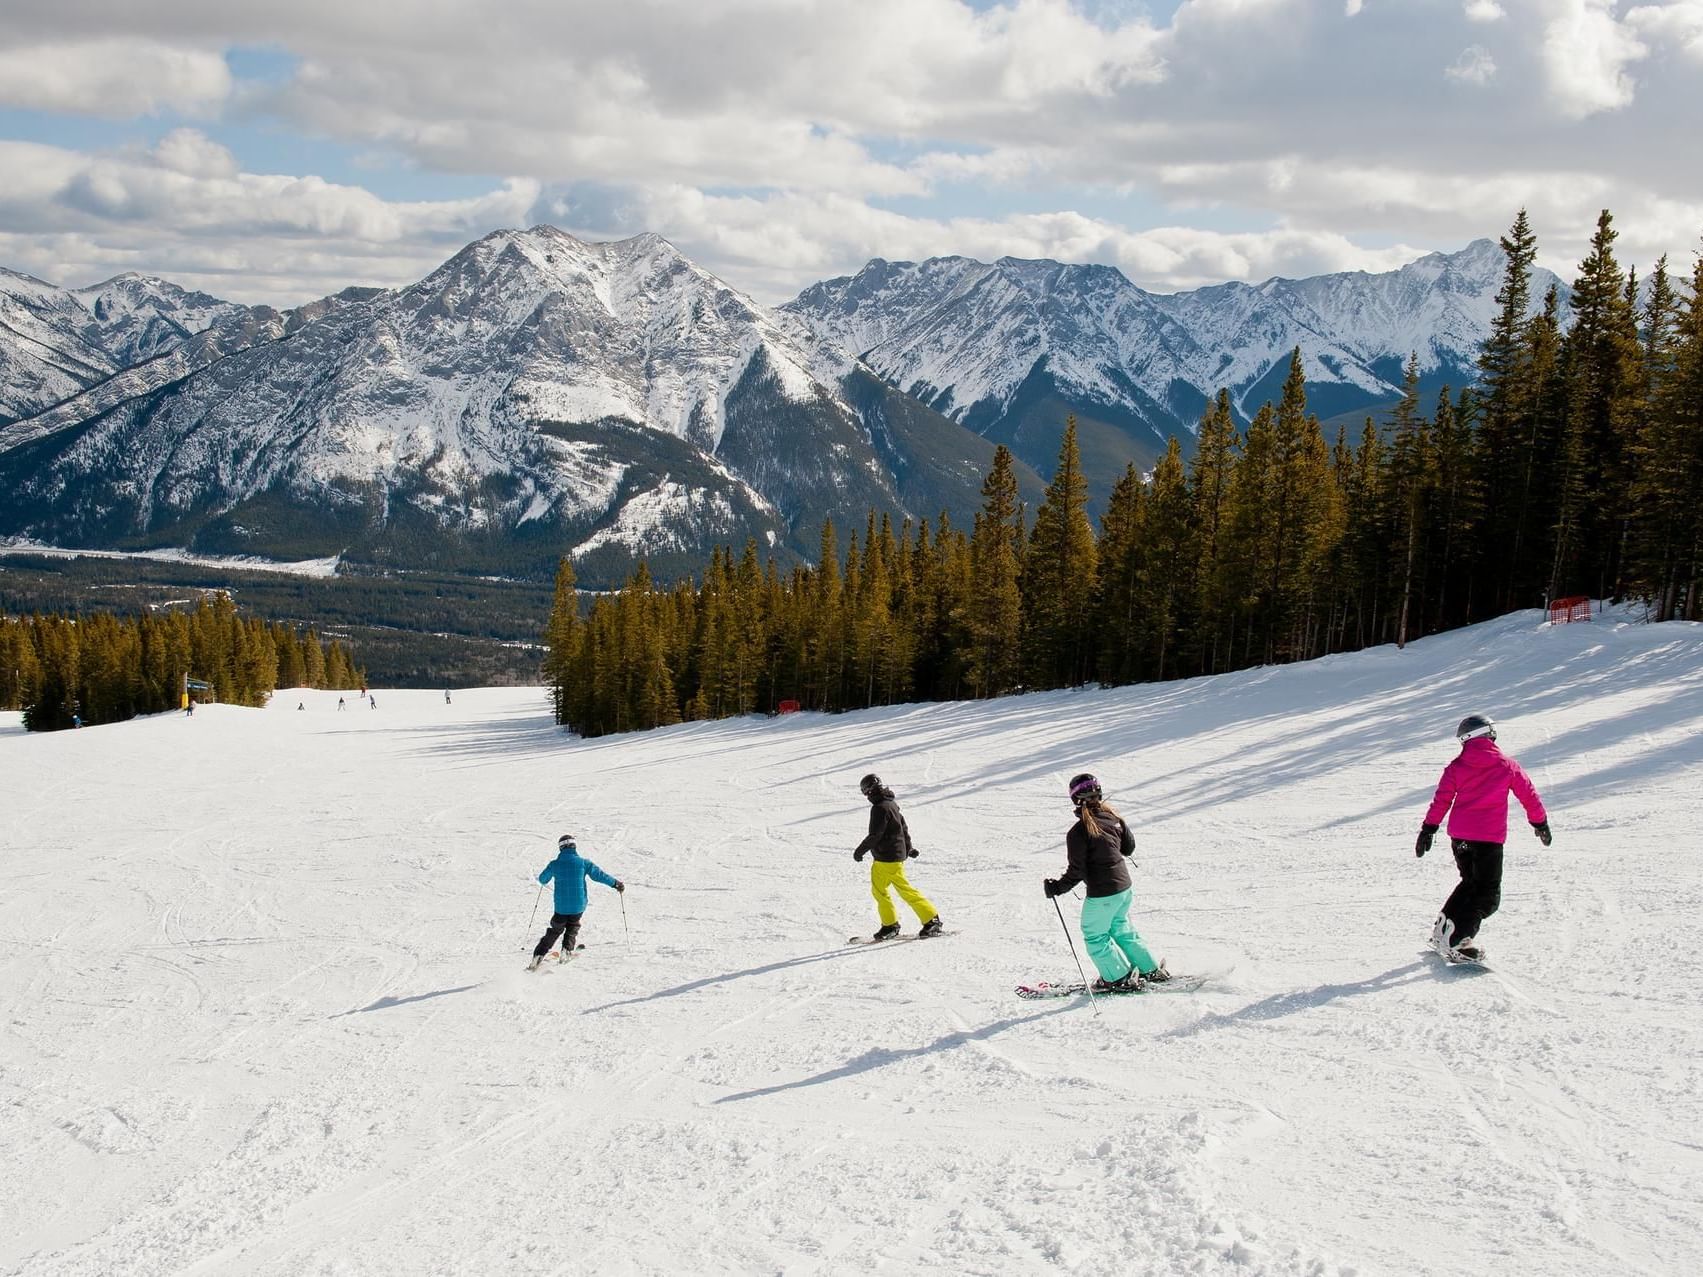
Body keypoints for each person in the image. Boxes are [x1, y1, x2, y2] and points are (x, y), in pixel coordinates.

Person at [1415, 713, 1551, 960]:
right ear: (1489, 734)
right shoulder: (1506, 765)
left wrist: (1428, 829)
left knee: (1469, 883)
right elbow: (1528, 794)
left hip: (1460, 838)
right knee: (1487, 896)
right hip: (1488, 839)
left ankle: (1443, 931)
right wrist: (1539, 823)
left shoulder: (1457, 767)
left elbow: (1442, 799)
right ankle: (1459, 942)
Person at [1044, 773, 1169, 991]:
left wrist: (1057, 888)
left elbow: (1077, 871)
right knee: (1121, 928)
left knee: (1095, 935)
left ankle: (1117, 977)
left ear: (1075, 798)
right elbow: (1128, 849)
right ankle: (1149, 969)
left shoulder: (1079, 831)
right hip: (1124, 889)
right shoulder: (1114, 818)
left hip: (1104, 894)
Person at [853, 774, 943, 940]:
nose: (866, 796)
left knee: (905, 890)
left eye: (865, 793)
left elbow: (875, 835)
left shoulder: (880, 808)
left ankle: (932, 920)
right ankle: (890, 925)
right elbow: (903, 828)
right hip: (883, 858)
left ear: (869, 791)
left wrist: (860, 850)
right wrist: (908, 848)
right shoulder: (891, 804)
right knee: (879, 891)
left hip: (890, 858)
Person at [529, 835, 624, 970]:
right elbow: (600, 875)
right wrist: (616, 884)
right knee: (572, 927)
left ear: (561, 847)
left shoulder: (554, 864)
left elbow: (542, 879)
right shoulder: (584, 863)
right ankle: (566, 951)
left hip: (561, 907)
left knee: (555, 930)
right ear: (574, 846)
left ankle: (538, 956)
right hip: (578, 905)